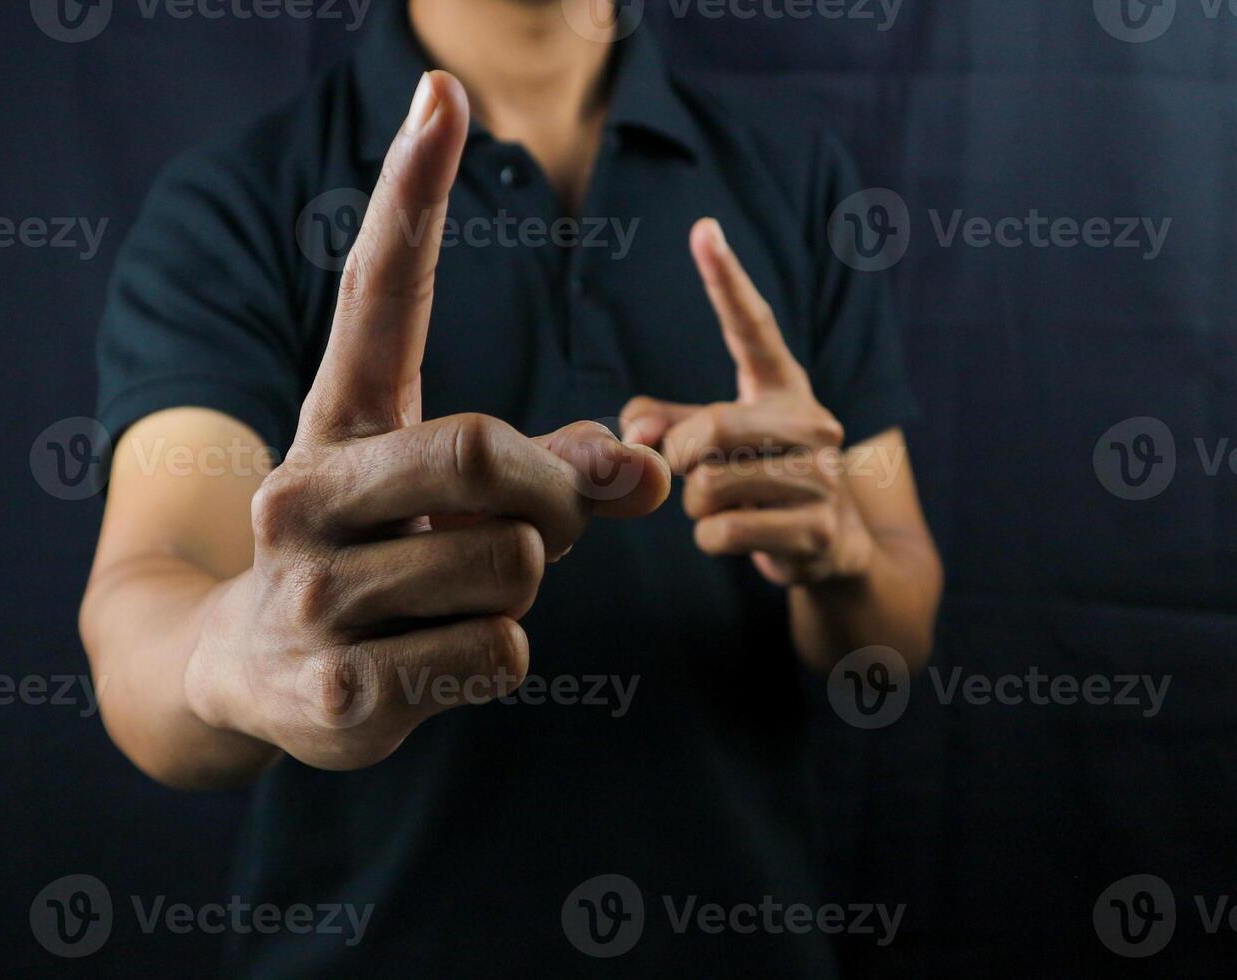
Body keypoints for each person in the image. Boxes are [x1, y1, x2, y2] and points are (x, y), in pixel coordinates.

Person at [80, 0, 942, 973]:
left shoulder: (794, 179)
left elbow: (893, 624)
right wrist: (240, 650)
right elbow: (148, 595)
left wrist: (839, 558)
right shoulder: (236, 199)